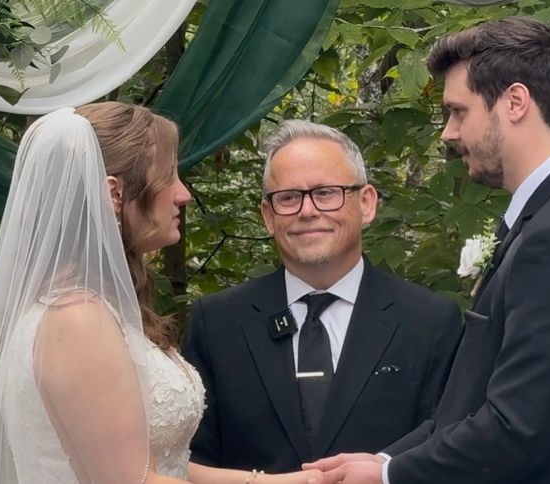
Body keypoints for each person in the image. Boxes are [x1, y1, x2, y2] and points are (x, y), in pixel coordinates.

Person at [306, 16, 550, 484]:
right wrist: (386, 461)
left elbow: (517, 428)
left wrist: (393, 477)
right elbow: (476, 400)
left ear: (514, 101)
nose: (447, 133)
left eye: (459, 111)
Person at [0, 102, 320, 484]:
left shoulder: (85, 307)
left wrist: (287, 482)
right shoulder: (76, 320)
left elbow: (149, 464)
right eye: (169, 175)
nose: (184, 194)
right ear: (115, 193)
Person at [181, 120, 463, 474]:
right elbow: (189, 461)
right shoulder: (217, 322)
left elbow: (448, 445)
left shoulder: (430, 321)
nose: (308, 210)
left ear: (367, 204)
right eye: (288, 197)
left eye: (326, 192)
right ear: (268, 217)